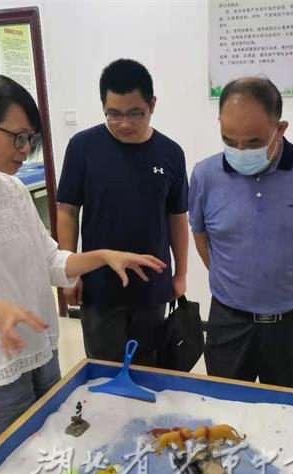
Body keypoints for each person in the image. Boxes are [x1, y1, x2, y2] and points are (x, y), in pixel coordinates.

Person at [0, 75, 166, 468]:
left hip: (39, 356)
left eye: (31, 139)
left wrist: (101, 256)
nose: (26, 150)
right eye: (18, 138)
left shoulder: (12, 191)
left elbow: (50, 261)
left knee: (46, 463)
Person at [188, 77, 293, 390]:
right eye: (229, 140)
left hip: (290, 324)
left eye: (253, 142)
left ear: (280, 129)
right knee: (224, 407)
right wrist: (234, 278)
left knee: (287, 409)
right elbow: (201, 236)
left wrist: (284, 270)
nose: (240, 150)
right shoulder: (204, 175)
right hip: (228, 322)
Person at [56, 59, 189, 365]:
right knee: (103, 369)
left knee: (149, 368)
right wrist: (69, 272)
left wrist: (180, 273)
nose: (125, 124)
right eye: (114, 114)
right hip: (99, 285)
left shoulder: (170, 153)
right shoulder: (83, 147)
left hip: (153, 284)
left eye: (134, 113)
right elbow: (67, 211)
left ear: (152, 105)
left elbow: (177, 218)